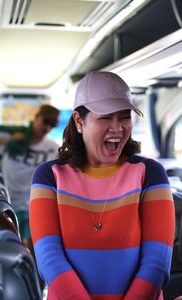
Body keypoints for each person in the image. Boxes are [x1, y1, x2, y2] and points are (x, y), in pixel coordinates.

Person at [29, 71, 175, 300]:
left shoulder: (150, 174)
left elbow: (157, 262)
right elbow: (50, 260)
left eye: (124, 116)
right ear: (79, 121)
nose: (117, 128)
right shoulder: (50, 176)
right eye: (106, 117)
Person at [0, 104, 60, 253]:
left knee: (36, 247)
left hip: (34, 202)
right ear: (37, 117)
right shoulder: (14, 137)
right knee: (10, 246)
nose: (48, 128)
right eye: (46, 122)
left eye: (53, 125)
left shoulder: (53, 148)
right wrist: (10, 140)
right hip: (7, 201)